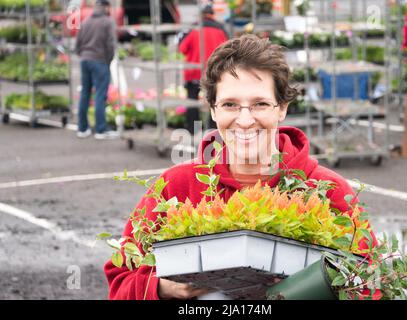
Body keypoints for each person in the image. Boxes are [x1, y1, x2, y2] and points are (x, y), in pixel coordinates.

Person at [104, 34, 377, 300]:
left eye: (259, 104)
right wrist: (164, 289)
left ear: (281, 108)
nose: (245, 120)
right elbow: (120, 282)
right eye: (230, 105)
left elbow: (372, 284)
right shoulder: (175, 188)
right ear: (213, 110)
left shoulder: (328, 191)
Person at [178, 4, 229, 135]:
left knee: (192, 101)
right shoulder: (221, 29)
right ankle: (213, 131)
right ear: (212, 15)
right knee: (215, 102)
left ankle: (192, 130)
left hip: (193, 72)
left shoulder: (193, 29)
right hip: (214, 73)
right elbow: (228, 51)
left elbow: (182, 49)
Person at [75, 0, 119, 140]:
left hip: (84, 60)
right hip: (99, 61)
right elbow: (111, 44)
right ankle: (101, 129)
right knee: (100, 95)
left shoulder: (86, 21)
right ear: (106, 7)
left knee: (85, 94)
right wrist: (108, 60)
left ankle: (82, 128)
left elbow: (77, 44)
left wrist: (83, 55)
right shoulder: (108, 21)